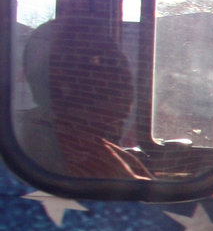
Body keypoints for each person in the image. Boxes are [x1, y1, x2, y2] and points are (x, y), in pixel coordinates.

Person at [17, 18, 151, 181]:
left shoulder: (86, 142)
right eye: (104, 62)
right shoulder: (58, 148)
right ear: (65, 81)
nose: (125, 76)